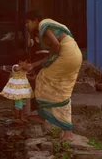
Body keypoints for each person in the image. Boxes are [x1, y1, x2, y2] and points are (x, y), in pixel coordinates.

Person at [19, 9, 83, 142]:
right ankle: (63, 128)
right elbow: (52, 53)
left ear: (36, 20)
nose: (26, 25)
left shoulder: (43, 25)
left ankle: (55, 124)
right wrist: (33, 65)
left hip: (68, 55)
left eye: (28, 22)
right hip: (74, 55)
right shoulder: (44, 28)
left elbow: (56, 46)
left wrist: (48, 61)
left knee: (44, 79)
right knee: (60, 88)